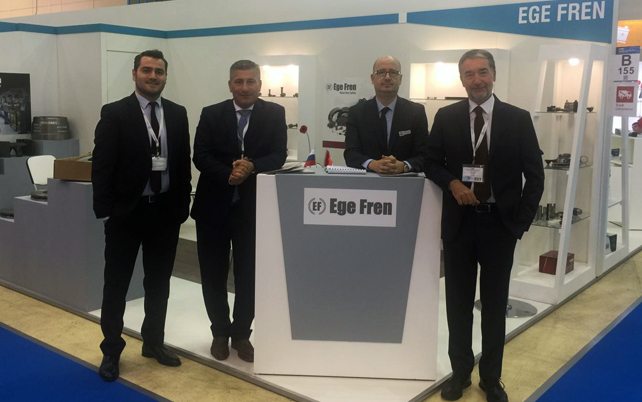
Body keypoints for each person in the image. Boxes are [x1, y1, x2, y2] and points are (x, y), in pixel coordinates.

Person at [424, 49, 544, 402]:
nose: (477, 80)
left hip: (499, 227)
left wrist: (518, 224)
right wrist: (452, 183)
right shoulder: (446, 117)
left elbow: (535, 176)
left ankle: (491, 379)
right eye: (469, 74)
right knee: (458, 304)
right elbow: (431, 162)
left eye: (482, 72)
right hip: (459, 226)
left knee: (494, 305)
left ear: (494, 74)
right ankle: (460, 373)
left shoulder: (517, 118)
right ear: (461, 79)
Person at [92, 49, 192, 382]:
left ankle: (153, 342)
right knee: (116, 285)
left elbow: (182, 163)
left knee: (159, 283)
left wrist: (181, 207)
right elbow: (102, 166)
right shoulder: (115, 113)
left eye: (159, 72)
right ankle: (111, 350)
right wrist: (106, 212)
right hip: (126, 214)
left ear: (165, 76)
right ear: (134, 74)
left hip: (164, 213)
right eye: (147, 70)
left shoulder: (177, 113)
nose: (153, 76)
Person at [191, 60, 287, 363]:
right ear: (230, 84)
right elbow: (200, 155)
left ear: (260, 84)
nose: (245, 87)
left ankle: (242, 334)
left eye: (250, 81)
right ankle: (220, 332)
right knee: (213, 274)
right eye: (239, 81)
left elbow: (278, 154)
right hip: (212, 208)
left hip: (253, 209)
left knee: (249, 275)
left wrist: (251, 167)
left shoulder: (275, 113)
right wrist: (229, 174)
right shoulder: (211, 113)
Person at [344, 55, 428, 173]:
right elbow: (351, 153)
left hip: (405, 181)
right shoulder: (356, 112)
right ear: (372, 78)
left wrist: (403, 166)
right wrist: (373, 164)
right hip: (367, 181)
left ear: (400, 78)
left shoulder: (416, 112)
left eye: (393, 72)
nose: (387, 77)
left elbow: (425, 154)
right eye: (381, 72)